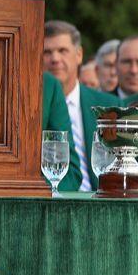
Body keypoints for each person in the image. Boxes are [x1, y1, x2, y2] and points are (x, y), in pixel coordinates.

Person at [43, 21, 118, 191]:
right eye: (47, 52)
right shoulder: (33, 107)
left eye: (62, 51)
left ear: (79, 55)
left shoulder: (109, 105)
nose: (55, 59)